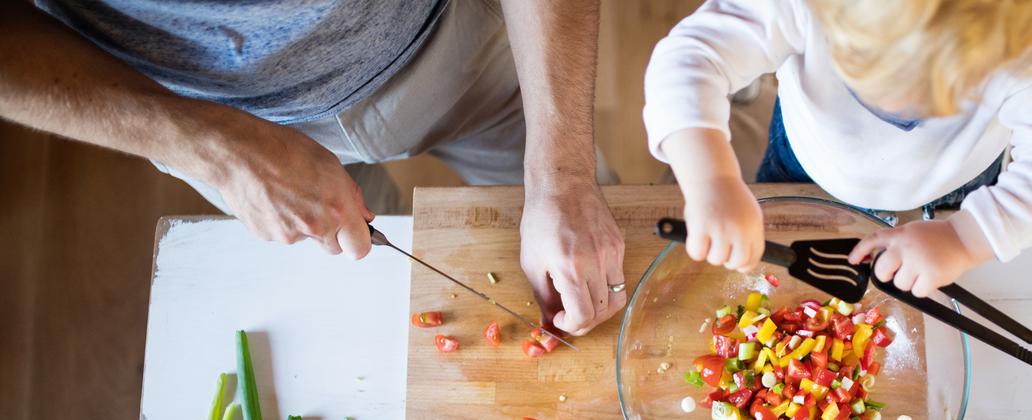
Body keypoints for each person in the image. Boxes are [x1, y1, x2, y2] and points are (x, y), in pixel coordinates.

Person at [0, 0, 626, 336]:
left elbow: (564, 181)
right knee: (371, 319)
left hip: (449, 43)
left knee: (590, 253)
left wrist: (563, 174)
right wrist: (212, 147)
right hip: (209, 119)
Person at [643, 0, 1032, 299]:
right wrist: (713, 181)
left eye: (944, 91)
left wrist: (966, 238)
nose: (902, 107)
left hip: (955, 188)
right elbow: (693, 55)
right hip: (806, 163)